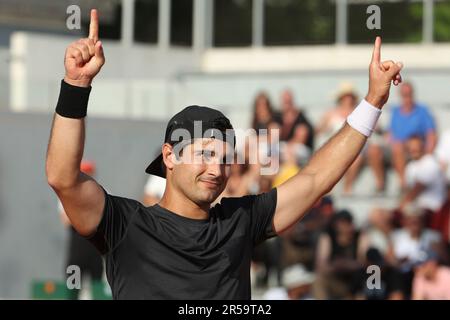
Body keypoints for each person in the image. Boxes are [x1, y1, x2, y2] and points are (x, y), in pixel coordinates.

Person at [45, 9, 403, 299]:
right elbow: (63, 177)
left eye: (224, 157)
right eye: (203, 154)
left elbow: (314, 180)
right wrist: (76, 86)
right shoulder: (125, 224)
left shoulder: (241, 220)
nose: (215, 169)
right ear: (169, 157)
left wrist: (372, 102)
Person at [59, 160, 104, 300]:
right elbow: (66, 220)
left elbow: (106, 218)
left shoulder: (103, 193)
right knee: (73, 290)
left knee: (98, 291)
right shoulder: (68, 194)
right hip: (78, 252)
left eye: (89, 173)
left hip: (96, 250)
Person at [388, 82, 437, 189]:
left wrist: (428, 153)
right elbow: (390, 135)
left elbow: (431, 134)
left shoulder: (422, 110)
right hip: (401, 149)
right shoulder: (395, 112)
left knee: (413, 144)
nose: (407, 97)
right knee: (396, 147)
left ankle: (407, 185)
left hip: (418, 147)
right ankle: (404, 184)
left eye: (409, 94)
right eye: (404, 95)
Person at [400, 135, 447, 217]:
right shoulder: (410, 167)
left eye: (416, 146)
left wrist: (402, 205)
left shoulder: (430, 162)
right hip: (417, 210)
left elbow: (418, 188)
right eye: (411, 147)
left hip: (433, 210)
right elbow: (408, 189)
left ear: (422, 147)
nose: (413, 150)